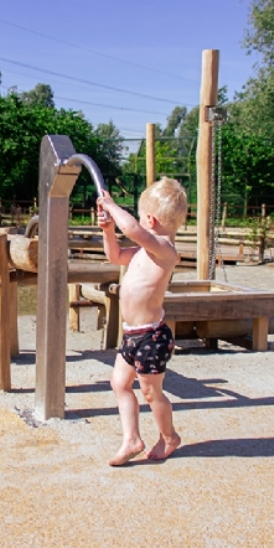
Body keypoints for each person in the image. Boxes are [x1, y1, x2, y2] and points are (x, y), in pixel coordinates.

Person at [96, 178, 187, 465]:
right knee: (120, 384)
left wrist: (111, 205)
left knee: (150, 390)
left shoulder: (164, 251)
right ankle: (131, 439)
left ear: (150, 219)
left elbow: (132, 229)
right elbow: (115, 255)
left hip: (151, 336)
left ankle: (169, 436)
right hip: (131, 335)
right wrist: (108, 230)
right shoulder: (142, 252)